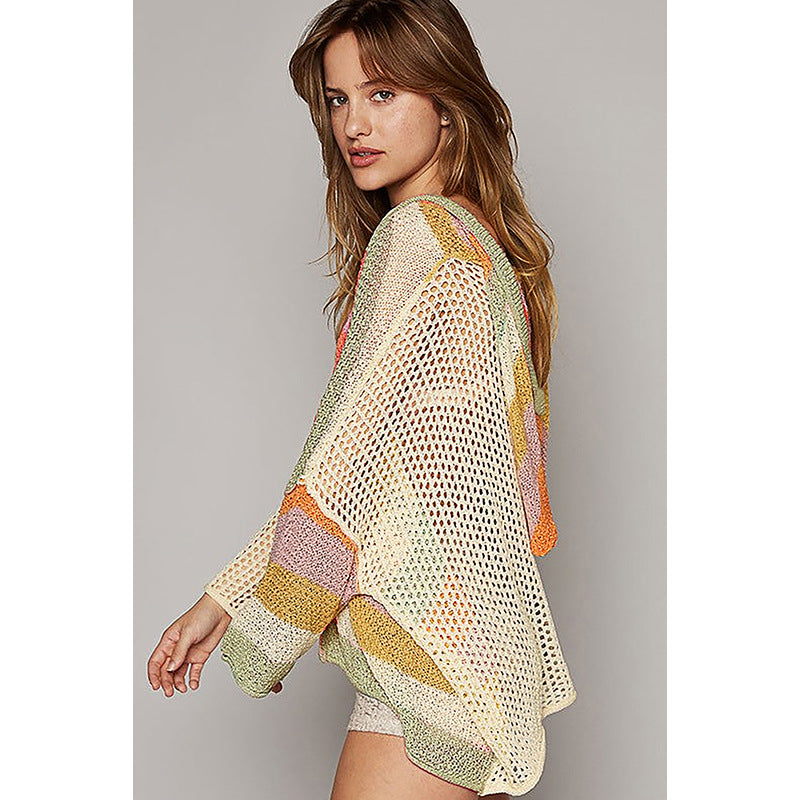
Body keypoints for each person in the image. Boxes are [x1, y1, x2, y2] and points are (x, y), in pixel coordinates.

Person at [147, 2, 577, 798]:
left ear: (446, 103)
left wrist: (255, 621)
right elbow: (390, 465)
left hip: (427, 660)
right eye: (339, 99)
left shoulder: (416, 237)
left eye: (383, 94)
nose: (354, 124)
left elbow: (340, 466)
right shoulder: (480, 246)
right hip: (479, 657)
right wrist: (227, 596)